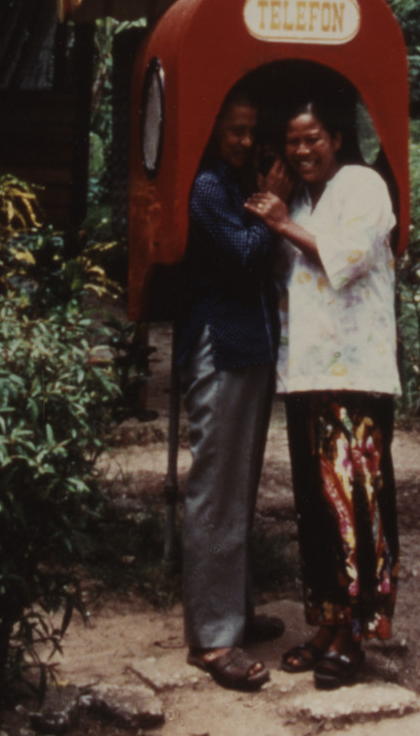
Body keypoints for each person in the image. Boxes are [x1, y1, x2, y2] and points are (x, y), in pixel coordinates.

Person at [245, 99, 400, 691]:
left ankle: (356, 632)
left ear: (337, 137)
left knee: (354, 506)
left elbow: (349, 259)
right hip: (307, 373)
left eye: (312, 139)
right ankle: (327, 622)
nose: (302, 151)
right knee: (316, 508)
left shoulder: (363, 185)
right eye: (292, 142)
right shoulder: (302, 198)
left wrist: (281, 222)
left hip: (355, 378)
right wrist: (280, 211)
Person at [176, 91, 287, 690]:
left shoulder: (238, 183)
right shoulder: (208, 188)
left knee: (238, 485)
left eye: (251, 131)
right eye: (235, 131)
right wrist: (275, 212)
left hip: (249, 346)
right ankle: (215, 640)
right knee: (216, 489)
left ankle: (234, 611)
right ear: (214, 127)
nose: (244, 141)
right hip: (219, 344)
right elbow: (246, 255)